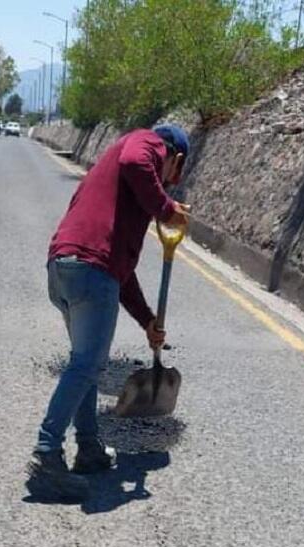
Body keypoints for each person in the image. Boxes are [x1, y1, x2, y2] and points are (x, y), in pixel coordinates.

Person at [27, 124, 191, 501]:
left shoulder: (123, 196)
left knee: (86, 366)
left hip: (65, 267)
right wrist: (166, 209)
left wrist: (147, 320)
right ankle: (47, 454)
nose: (166, 187)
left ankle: (88, 448)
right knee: (87, 365)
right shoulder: (144, 143)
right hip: (90, 271)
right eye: (171, 179)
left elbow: (121, 272)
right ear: (175, 161)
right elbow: (138, 160)